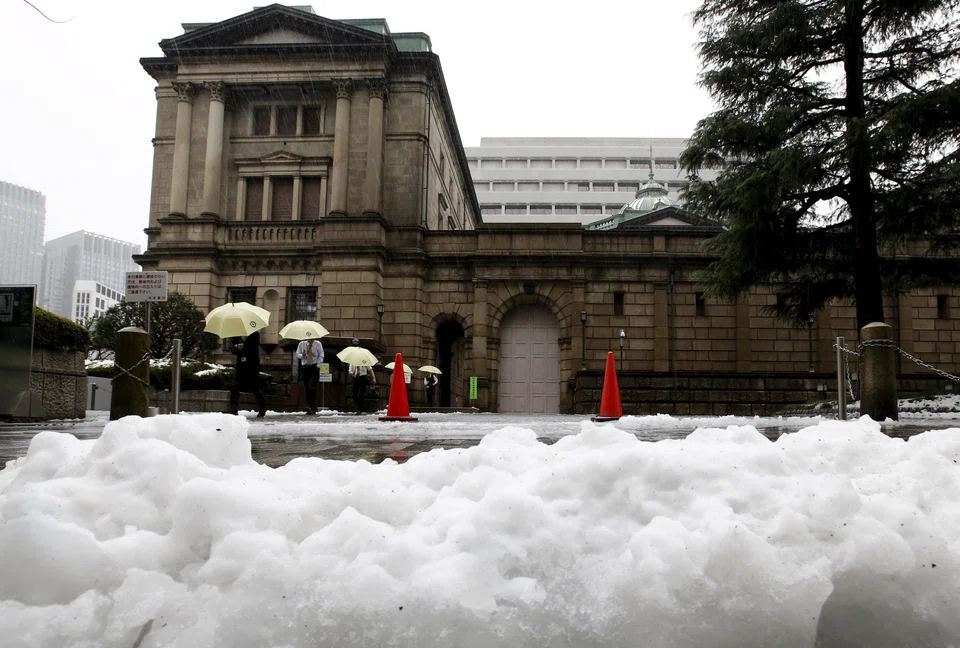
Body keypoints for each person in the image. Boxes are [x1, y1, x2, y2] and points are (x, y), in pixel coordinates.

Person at [228, 330, 267, 417]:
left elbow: (252, 348)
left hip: (252, 364)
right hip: (240, 364)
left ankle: (263, 407)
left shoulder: (255, 334)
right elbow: (232, 349)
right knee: (235, 386)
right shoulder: (235, 335)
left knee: (254, 388)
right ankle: (233, 408)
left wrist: (243, 347)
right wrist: (237, 348)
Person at [295, 336, 324, 415]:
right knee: (307, 388)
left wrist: (318, 365)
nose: (312, 340)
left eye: (313, 339)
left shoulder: (318, 344)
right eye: (310, 339)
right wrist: (302, 355)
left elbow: (321, 355)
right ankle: (309, 406)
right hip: (305, 367)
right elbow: (297, 354)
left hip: (314, 367)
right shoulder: (302, 344)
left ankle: (312, 406)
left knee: (312, 387)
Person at [348, 339, 376, 413]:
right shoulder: (352, 361)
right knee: (354, 393)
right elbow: (350, 371)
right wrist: (352, 373)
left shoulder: (364, 360)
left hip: (363, 378)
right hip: (355, 378)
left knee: (361, 393)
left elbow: (370, 369)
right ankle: (359, 406)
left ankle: (359, 409)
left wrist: (373, 378)